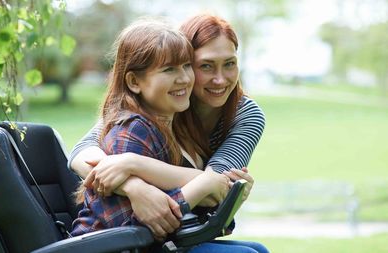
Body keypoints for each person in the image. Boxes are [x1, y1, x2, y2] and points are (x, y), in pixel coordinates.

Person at [71, 15, 268, 253]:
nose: (219, 79)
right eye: (205, 65)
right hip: (128, 244)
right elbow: (84, 150)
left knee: (257, 249)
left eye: (229, 63)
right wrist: (134, 186)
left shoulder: (178, 115)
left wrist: (133, 164)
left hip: (166, 238)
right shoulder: (140, 122)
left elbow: (216, 189)